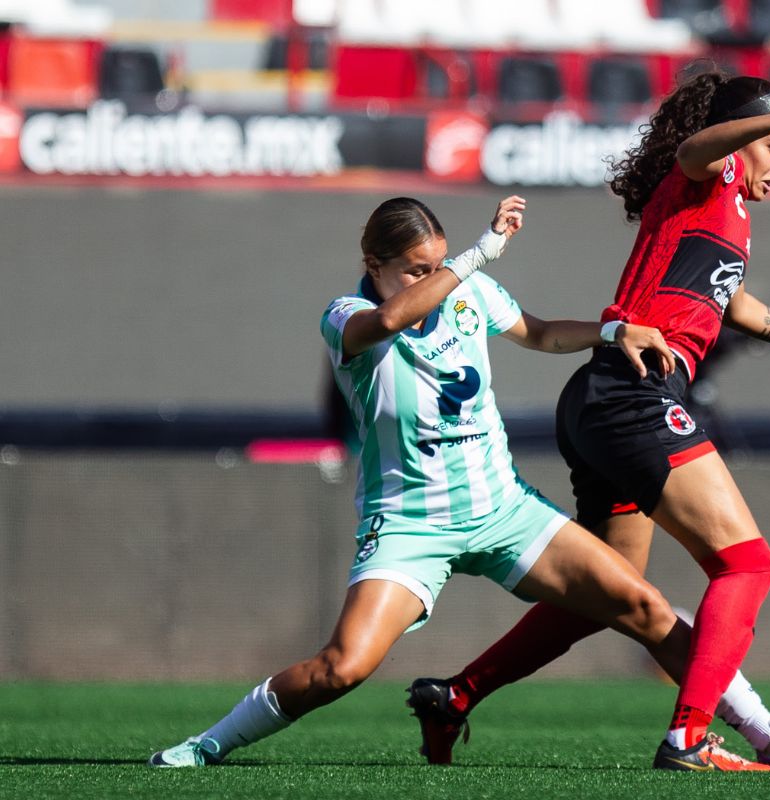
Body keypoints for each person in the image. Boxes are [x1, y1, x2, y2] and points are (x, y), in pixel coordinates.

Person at [407, 71, 770, 772]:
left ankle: (456, 695)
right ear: (746, 142)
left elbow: (739, 308)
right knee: (747, 564)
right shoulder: (705, 177)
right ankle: (689, 737)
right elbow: (696, 151)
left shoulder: (729, 215)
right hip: (635, 397)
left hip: (599, 401)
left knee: (607, 594)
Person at [147, 195, 720, 768]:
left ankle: (758, 733)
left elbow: (541, 334)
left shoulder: (469, 292)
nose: (433, 279)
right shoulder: (344, 316)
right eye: (416, 269)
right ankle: (206, 745)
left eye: (435, 264)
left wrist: (613, 330)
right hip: (408, 524)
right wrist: (477, 254)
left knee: (643, 605)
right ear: (374, 265)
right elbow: (391, 319)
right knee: (341, 668)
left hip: (502, 510)